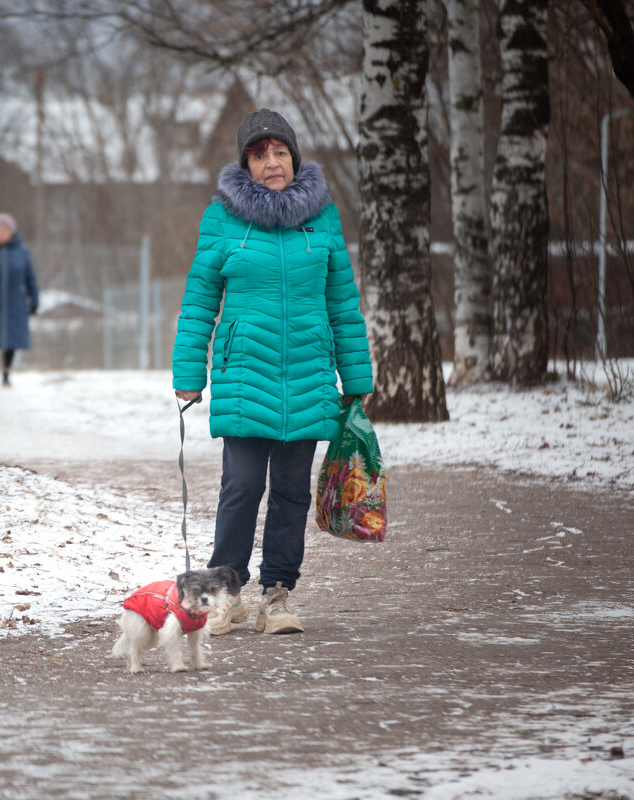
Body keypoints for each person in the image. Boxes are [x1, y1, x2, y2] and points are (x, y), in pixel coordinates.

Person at [171, 108, 373, 636]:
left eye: (279, 152)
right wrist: (189, 370)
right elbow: (199, 301)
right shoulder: (222, 219)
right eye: (259, 155)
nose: (271, 162)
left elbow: (343, 305)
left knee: (292, 492)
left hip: (308, 376)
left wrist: (356, 380)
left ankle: (277, 595)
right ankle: (225, 592)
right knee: (240, 487)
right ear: (246, 165)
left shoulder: (323, 218)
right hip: (244, 375)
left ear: (294, 157)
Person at [0, 212, 40, 386]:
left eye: (3, 231)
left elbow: (30, 278)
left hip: (15, 302)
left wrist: (34, 300)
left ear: (11, 232)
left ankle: (6, 372)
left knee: (11, 338)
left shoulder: (22, 252)